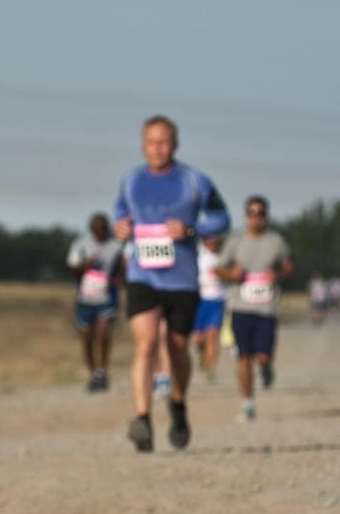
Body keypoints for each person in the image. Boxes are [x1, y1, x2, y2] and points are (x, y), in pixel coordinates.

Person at [113, 115, 230, 452]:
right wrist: (120, 226)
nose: (157, 148)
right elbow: (119, 213)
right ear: (142, 144)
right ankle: (142, 419)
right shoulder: (131, 181)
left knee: (177, 348)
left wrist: (193, 230)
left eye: (164, 142)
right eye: (151, 142)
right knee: (146, 344)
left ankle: (178, 405)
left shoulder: (195, 181)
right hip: (142, 276)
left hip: (181, 280)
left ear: (175, 145)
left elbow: (222, 218)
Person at [216, 196, 294, 422]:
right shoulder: (236, 241)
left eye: (261, 213)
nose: (256, 218)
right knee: (243, 357)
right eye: (252, 213)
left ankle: (267, 367)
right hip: (240, 305)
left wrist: (277, 275)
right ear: (246, 215)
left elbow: (289, 266)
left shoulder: (276, 241)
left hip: (266, 309)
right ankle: (248, 403)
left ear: (266, 216)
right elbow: (218, 268)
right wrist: (231, 275)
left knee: (262, 355)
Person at [66, 212, 123, 392]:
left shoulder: (116, 246)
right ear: (91, 229)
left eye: (103, 229)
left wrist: (119, 280)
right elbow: (72, 268)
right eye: (97, 229)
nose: (100, 232)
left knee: (103, 333)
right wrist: (85, 265)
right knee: (87, 338)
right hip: (85, 299)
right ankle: (93, 373)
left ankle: (103, 370)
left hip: (107, 298)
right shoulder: (80, 245)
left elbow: (124, 268)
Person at [190, 235, 227, 382]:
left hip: (217, 301)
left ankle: (210, 369)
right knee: (198, 339)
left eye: (215, 240)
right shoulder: (198, 255)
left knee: (213, 336)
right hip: (199, 300)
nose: (213, 243)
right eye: (210, 240)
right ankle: (201, 353)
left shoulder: (223, 257)